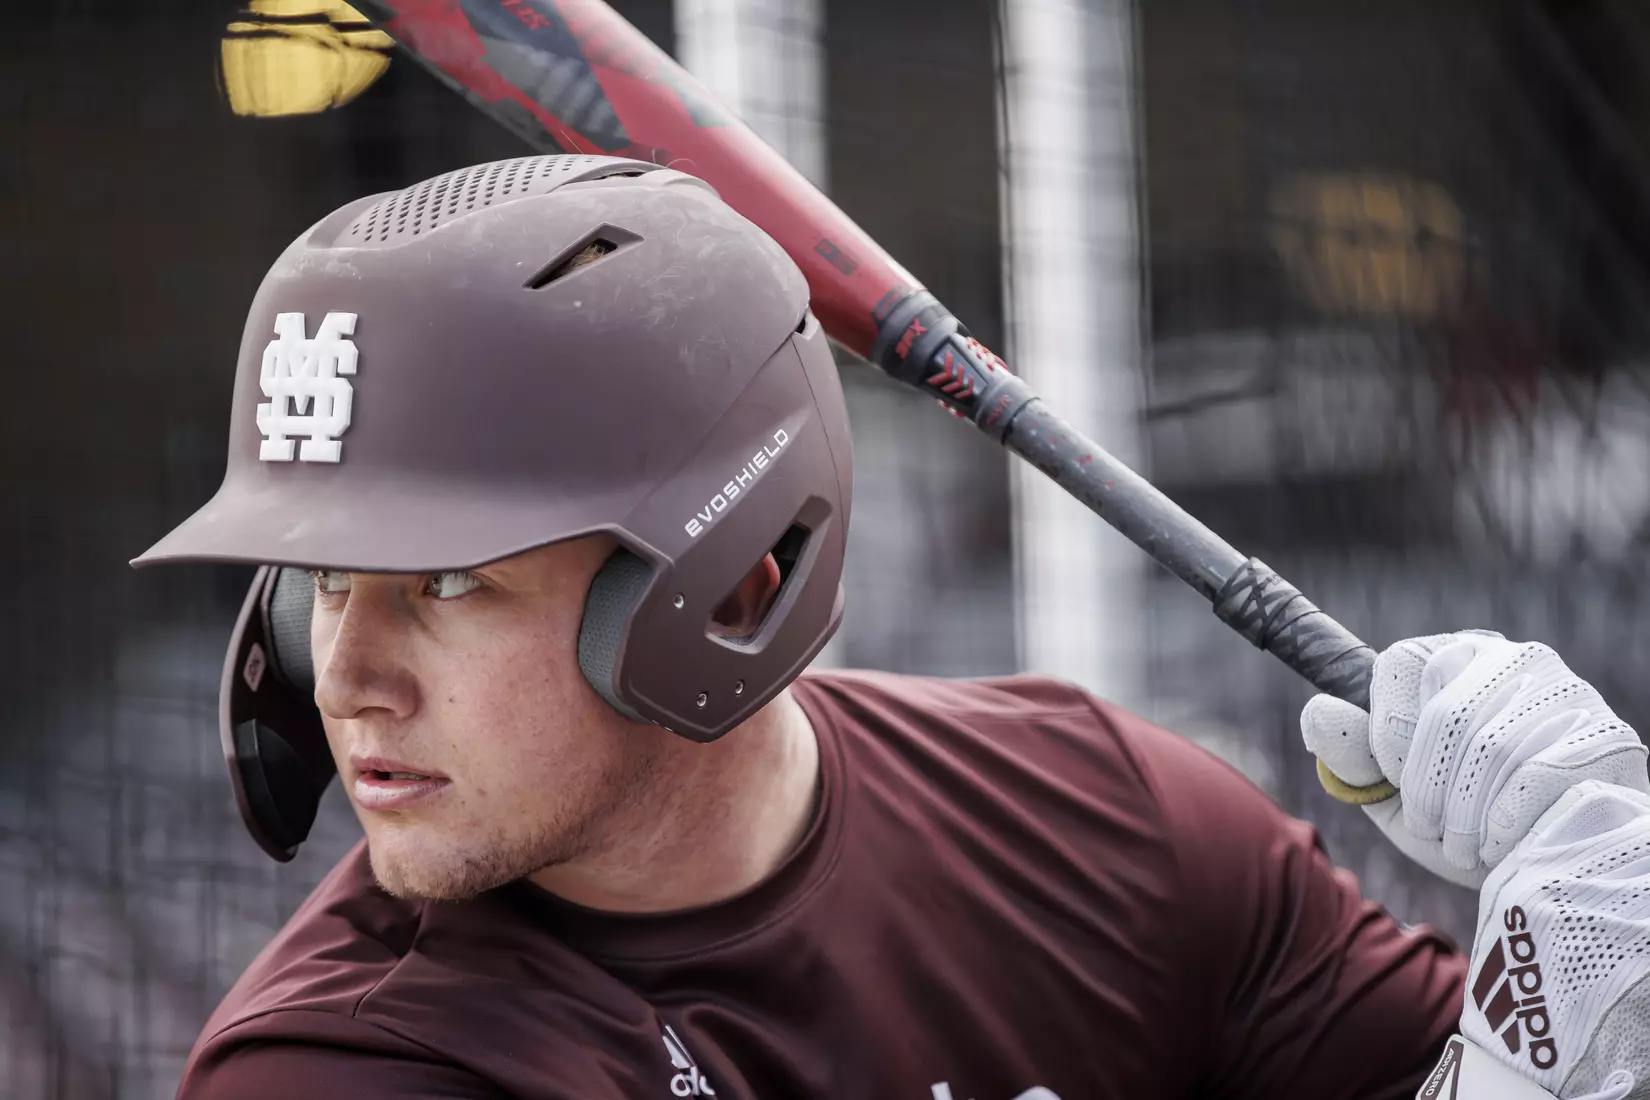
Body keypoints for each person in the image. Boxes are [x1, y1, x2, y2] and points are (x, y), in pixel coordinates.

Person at [134, 155, 1650, 1099]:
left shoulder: (1100, 817)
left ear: (726, 582)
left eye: (446, 581)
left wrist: (1588, 969)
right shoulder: (345, 1065)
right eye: (323, 579)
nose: (349, 680)